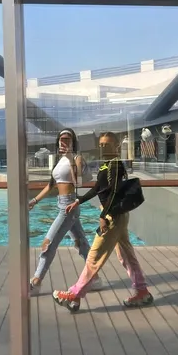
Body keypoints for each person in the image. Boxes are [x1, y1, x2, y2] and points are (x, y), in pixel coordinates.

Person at [52, 131, 154, 312]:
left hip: (112, 216)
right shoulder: (107, 165)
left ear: (116, 146)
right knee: (126, 255)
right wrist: (78, 201)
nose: (102, 147)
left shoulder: (115, 165)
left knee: (94, 255)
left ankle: (75, 294)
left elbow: (113, 192)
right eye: (100, 145)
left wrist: (103, 216)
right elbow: (98, 188)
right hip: (117, 215)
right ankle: (142, 291)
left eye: (106, 144)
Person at [28, 128, 103, 295]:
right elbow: (50, 185)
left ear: (73, 141)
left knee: (48, 243)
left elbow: (78, 183)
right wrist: (34, 201)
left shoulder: (77, 158)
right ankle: (95, 278)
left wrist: (70, 158)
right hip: (62, 204)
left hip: (69, 205)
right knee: (81, 244)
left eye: (68, 139)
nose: (64, 142)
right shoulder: (58, 161)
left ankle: (36, 281)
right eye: (62, 139)